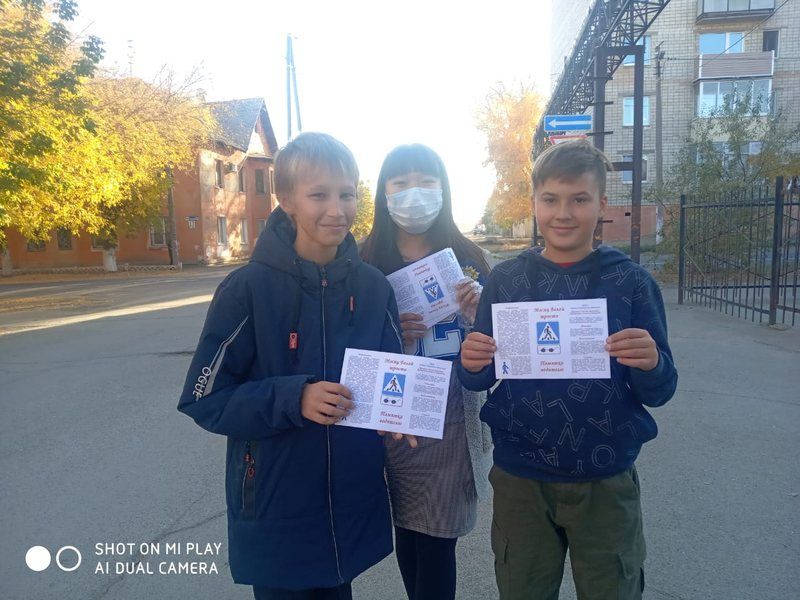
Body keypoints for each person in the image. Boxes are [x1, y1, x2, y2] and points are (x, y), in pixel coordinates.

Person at [177, 132, 413, 600]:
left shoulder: (373, 288)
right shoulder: (247, 289)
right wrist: (294, 397)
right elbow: (204, 400)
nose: (337, 210)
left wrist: (396, 414)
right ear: (286, 200)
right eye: (319, 195)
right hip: (275, 504)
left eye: (347, 194)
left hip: (350, 502)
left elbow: (391, 374)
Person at [458, 140, 678, 600]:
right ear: (534, 203)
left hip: (605, 475)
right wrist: (471, 363)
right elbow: (481, 375)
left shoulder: (631, 283)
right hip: (521, 474)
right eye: (551, 199)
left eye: (579, 199)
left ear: (602, 205)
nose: (563, 213)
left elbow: (660, 390)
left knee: (611, 589)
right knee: (523, 588)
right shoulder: (507, 281)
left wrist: (652, 362)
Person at [360, 143, 493, 600]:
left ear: (443, 190)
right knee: (407, 530)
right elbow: (344, 341)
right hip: (391, 417)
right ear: (383, 193)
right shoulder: (363, 263)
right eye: (400, 183)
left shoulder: (470, 256)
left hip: (452, 418)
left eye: (426, 182)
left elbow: (500, 344)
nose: (413, 194)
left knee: (438, 538)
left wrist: (480, 314)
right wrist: (387, 329)